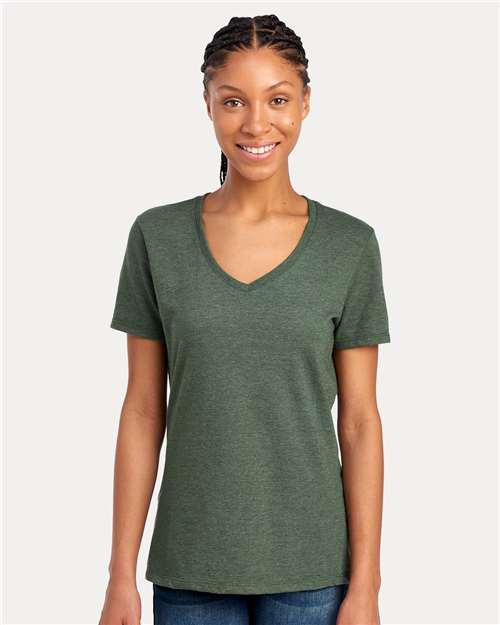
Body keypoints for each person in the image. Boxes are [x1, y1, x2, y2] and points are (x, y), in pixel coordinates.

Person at [99, 13, 391, 625]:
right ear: (207, 103)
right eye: (233, 101)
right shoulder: (157, 236)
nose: (257, 124)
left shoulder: (349, 245)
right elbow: (143, 410)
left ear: (306, 102)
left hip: (313, 575)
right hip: (190, 569)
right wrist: (119, 575)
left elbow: (360, 421)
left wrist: (367, 584)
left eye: (277, 99)